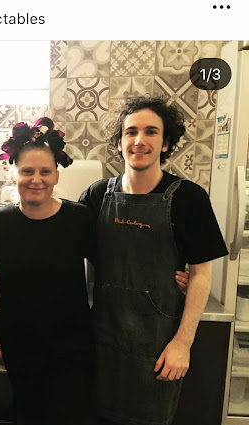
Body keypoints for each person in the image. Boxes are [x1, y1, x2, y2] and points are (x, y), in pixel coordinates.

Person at [79, 96, 229, 425]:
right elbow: (63, 241)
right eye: (130, 132)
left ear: (166, 142)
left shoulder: (189, 198)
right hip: (101, 345)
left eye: (151, 132)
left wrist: (182, 343)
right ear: (118, 141)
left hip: (158, 349)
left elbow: (201, 274)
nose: (139, 140)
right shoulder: (96, 196)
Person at [0, 118, 96, 424]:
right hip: (19, 344)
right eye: (27, 171)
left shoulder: (78, 218)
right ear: (13, 173)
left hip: (71, 345)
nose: (36, 179)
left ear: (57, 175)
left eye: (45, 171)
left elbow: (109, 264)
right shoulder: (0, 221)